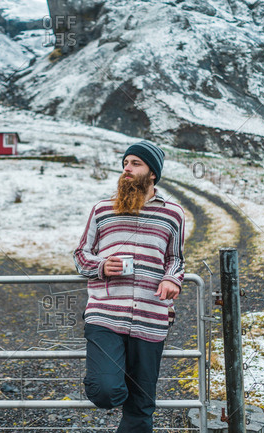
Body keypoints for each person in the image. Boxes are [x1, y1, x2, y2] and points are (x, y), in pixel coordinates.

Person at [73, 140, 185, 432]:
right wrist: (100, 266)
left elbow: (176, 259)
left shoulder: (173, 214)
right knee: (106, 389)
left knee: (140, 407)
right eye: (125, 163)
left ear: (152, 173)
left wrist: (172, 278)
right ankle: (116, 377)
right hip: (105, 315)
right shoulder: (102, 209)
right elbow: (81, 255)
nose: (127, 169)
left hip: (151, 317)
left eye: (135, 164)